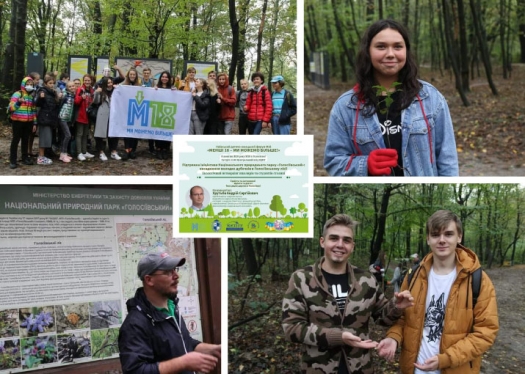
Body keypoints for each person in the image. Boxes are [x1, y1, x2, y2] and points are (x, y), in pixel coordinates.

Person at [282, 214, 414, 374]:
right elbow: (291, 328)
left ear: (352, 246)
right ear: (322, 241)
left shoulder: (366, 279)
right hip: (317, 367)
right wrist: (338, 337)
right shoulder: (302, 278)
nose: (340, 244)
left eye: (346, 240)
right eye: (334, 238)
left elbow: (382, 318)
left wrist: (395, 307)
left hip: (360, 367)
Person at [324, 19, 458, 176]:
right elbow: (333, 161)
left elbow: (447, 160)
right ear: (368, 51)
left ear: (406, 51)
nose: (390, 54)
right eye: (381, 47)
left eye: (398, 47)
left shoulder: (431, 98)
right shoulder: (345, 106)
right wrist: (365, 165)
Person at [377, 210, 499, 373]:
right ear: (428, 239)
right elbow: (403, 319)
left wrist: (446, 359)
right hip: (413, 368)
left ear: (459, 237)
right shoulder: (413, 276)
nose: (442, 240)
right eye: (435, 235)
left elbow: (486, 332)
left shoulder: (478, 280)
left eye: (448, 234)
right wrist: (394, 337)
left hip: (456, 368)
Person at [118, 252, 220, 373]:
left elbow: (180, 343)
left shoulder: (171, 308)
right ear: (149, 280)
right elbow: (135, 370)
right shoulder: (134, 324)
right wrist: (183, 362)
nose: (176, 276)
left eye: (175, 270)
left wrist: (210, 349)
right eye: (167, 272)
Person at [8, 77, 37, 169]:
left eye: (31, 84)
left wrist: (34, 123)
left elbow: (34, 111)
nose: (29, 85)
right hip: (17, 121)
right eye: (27, 83)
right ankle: (13, 160)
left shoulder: (31, 96)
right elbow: (10, 108)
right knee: (15, 140)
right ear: (23, 84)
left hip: (28, 122)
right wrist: (18, 103)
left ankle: (25, 158)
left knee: (25, 140)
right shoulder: (17, 94)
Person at [35, 75, 62, 165]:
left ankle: (44, 155)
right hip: (44, 117)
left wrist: (58, 97)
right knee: (44, 137)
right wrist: (40, 97)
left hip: (51, 117)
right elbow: (37, 103)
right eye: (50, 83)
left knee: (48, 138)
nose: (52, 85)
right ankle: (41, 157)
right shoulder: (42, 91)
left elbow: (55, 104)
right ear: (45, 84)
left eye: (53, 83)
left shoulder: (53, 92)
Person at [93, 77, 121, 161]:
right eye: (108, 83)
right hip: (102, 114)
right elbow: (96, 102)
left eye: (111, 82)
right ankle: (101, 152)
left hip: (113, 115)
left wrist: (119, 89)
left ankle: (113, 151)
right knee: (100, 134)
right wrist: (96, 93)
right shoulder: (101, 91)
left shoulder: (116, 90)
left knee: (113, 133)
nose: (110, 84)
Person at [121, 67, 142, 160]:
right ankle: (126, 150)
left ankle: (133, 150)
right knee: (127, 132)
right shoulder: (123, 85)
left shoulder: (139, 86)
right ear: (128, 75)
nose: (132, 76)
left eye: (134, 74)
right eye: (131, 74)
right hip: (126, 111)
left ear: (136, 76)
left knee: (135, 132)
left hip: (136, 111)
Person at [153, 71, 175, 159]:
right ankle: (158, 149)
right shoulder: (156, 87)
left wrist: (175, 91)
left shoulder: (172, 88)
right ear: (160, 78)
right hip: (158, 112)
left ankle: (165, 149)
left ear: (169, 79)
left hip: (168, 113)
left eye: (166, 77)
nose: (164, 78)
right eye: (163, 77)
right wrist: (153, 91)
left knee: (167, 130)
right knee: (158, 130)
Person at [74, 74, 95, 161]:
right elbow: (76, 101)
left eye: (88, 80)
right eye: (85, 80)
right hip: (80, 115)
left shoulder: (91, 90)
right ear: (83, 81)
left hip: (87, 116)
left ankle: (84, 151)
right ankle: (79, 153)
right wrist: (81, 98)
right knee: (79, 134)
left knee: (85, 134)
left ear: (91, 81)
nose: (87, 82)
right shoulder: (80, 89)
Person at [57, 80, 76, 163]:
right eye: (70, 86)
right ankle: (63, 153)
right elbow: (59, 100)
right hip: (62, 117)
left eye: (73, 86)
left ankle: (63, 153)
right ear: (67, 88)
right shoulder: (65, 95)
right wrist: (60, 96)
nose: (72, 87)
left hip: (68, 118)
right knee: (68, 135)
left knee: (64, 136)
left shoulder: (72, 95)